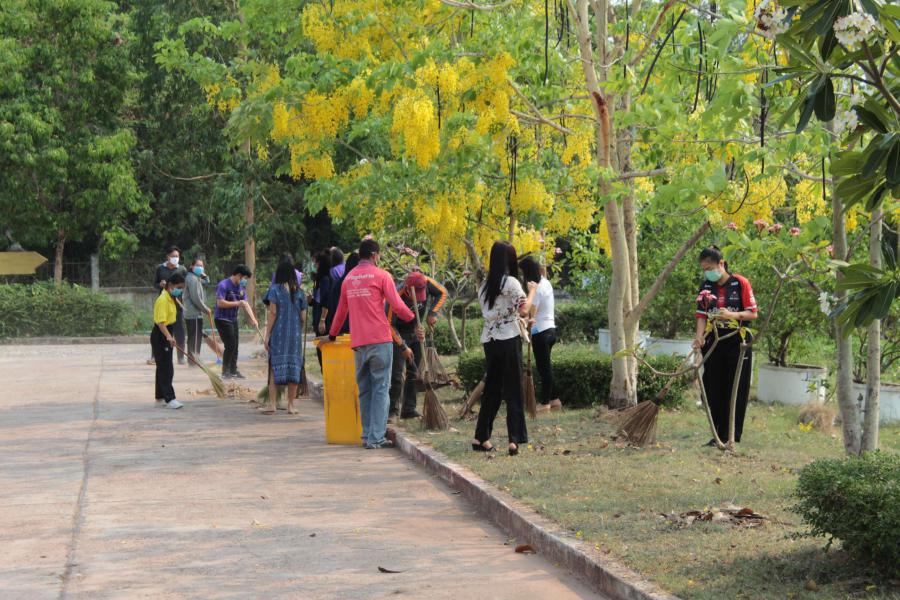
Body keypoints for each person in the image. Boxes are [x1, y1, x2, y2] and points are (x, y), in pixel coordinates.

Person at [328, 239, 414, 449]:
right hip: (380, 340)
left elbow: (341, 311)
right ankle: (376, 438)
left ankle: (367, 435)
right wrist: (411, 317)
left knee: (365, 390)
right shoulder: (382, 276)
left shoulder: (349, 279)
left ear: (360, 256)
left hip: (359, 343)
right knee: (381, 389)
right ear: (375, 255)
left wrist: (332, 333)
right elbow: (397, 304)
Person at [473, 241, 537, 456]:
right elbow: (524, 309)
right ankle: (514, 440)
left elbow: (497, 313)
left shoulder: (484, 285)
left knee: (492, 388)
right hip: (509, 338)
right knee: (513, 389)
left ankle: (480, 437)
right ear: (508, 260)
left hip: (490, 340)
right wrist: (532, 291)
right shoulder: (510, 282)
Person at [692, 245, 758, 445]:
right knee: (713, 388)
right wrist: (699, 337)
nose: (707, 272)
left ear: (721, 263)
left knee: (735, 389)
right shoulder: (706, 286)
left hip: (738, 341)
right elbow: (701, 315)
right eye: (704, 269)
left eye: (710, 268)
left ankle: (731, 436)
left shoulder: (740, 283)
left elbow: (753, 313)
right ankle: (717, 435)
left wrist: (732, 315)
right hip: (713, 341)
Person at [388, 269, 447, 419]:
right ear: (408, 288)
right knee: (397, 374)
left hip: (416, 331)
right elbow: (389, 325)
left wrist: (432, 313)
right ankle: (392, 411)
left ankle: (409, 409)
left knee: (414, 372)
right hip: (398, 334)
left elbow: (443, 293)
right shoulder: (396, 294)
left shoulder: (426, 281)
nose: (420, 299)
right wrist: (403, 346)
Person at [261, 259, 307, 415]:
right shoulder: (300, 293)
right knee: (294, 368)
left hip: (278, 334)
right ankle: (291, 406)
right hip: (294, 336)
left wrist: (267, 335)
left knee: (274, 368)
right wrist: (297, 328)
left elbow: (273, 313)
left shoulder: (274, 290)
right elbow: (303, 318)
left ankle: (272, 404)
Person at [520, 257, 561, 413]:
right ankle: (554, 399)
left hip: (541, 332)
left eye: (522, 273)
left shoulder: (537, 288)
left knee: (544, 369)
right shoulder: (546, 282)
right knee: (546, 367)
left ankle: (545, 403)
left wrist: (519, 317)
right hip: (550, 330)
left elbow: (531, 313)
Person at [214, 265, 259, 379]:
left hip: (233, 319)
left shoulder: (241, 288)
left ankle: (233, 371)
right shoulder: (223, 285)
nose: (244, 281)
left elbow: (245, 304)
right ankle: (225, 371)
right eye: (244, 278)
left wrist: (253, 319)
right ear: (239, 275)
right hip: (222, 319)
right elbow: (220, 303)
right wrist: (238, 303)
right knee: (230, 344)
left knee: (235, 345)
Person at [151, 272, 186, 409]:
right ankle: (170, 399)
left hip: (167, 331)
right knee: (166, 368)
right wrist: (169, 337)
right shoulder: (163, 300)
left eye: (182, 288)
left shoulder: (171, 297)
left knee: (162, 366)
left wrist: (170, 335)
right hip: (161, 334)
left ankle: (160, 396)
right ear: (171, 285)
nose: (180, 290)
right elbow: (160, 323)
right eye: (179, 287)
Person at [154, 246, 187, 364]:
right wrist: (160, 284)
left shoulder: (182, 269)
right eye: (173, 256)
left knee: (180, 331)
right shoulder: (160, 268)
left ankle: (181, 356)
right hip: (165, 304)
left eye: (177, 256)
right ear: (168, 257)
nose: (176, 258)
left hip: (177, 304)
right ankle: (156, 355)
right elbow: (154, 284)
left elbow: (185, 285)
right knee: (161, 328)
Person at [183, 257, 212, 365]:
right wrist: (205, 309)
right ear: (192, 266)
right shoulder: (192, 279)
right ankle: (193, 361)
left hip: (193, 313)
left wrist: (205, 276)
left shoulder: (195, 277)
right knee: (194, 338)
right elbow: (196, 298)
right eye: (198, 265)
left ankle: (193, 360)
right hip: (193, 313)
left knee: (194, 337)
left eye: (202, 266)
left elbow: (206, 281)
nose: (200, 267)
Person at [328, 252, 359, 336]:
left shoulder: (339, 283)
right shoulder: (357, 283)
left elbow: (335, 307)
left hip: (341, 327)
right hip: (353, 328)